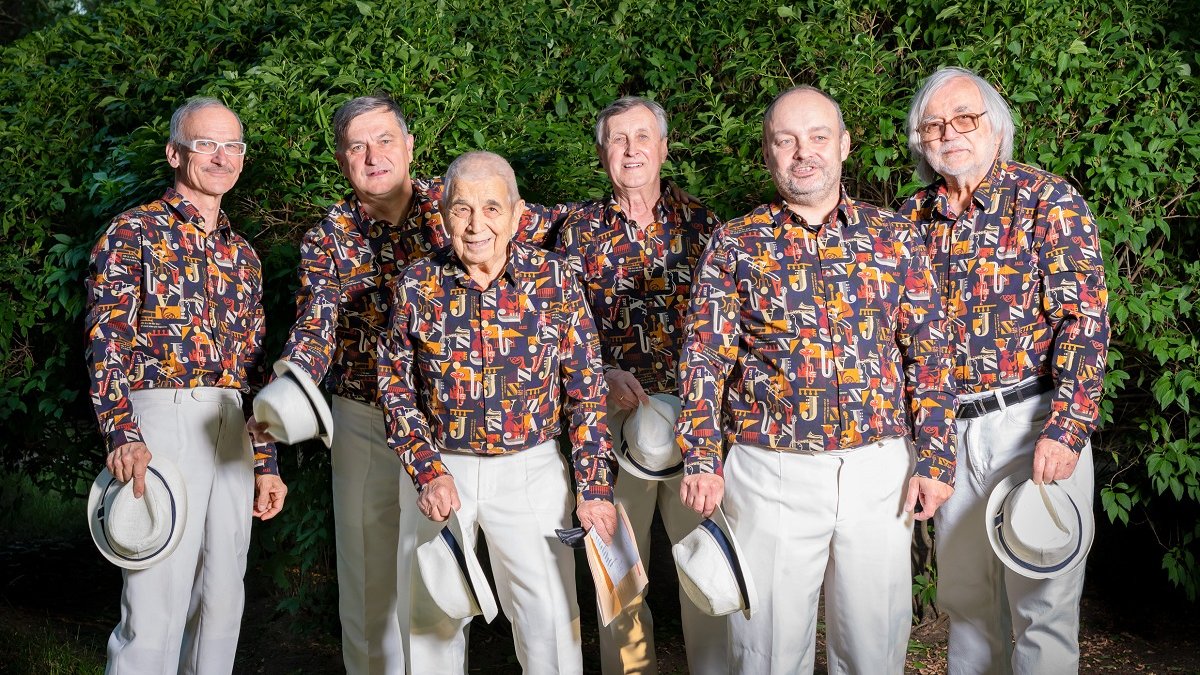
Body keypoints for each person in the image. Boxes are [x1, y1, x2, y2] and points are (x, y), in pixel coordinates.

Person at [256, 95, 568, 674]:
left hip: (457, 430)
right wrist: (287, 391)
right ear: (342, 158)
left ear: (409, 146)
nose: (373, 156)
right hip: (369, 419)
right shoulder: (329, 236)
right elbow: (315, 323)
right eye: (357, 146)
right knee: (374, 583)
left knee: (446, 591)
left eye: (384, 140)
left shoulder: (458, 199)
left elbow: (554, 229)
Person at [675, 86, 956, 673]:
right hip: (770, 472)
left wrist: (936, 458)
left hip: (877, 472)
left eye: (818, 137)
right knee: (768, 652)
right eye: (786, 140)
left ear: (845, 146)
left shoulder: (894, 238)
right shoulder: (735, 244)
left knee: (875, 649)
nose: (803, 152)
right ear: (769, 153)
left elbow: (928, 355)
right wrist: (701, 454)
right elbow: (704, 357)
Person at [900, 66, 1109, 674]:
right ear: (920, 141)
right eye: (935, 124)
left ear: (997, 128)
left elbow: (1085, 321)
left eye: (966, 118)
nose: (951, 133)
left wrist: (1067, 428)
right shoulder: (908, 222)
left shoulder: (1048, 200)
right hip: (949, 435)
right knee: (965, 603)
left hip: (1034, 424)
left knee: (1043, 606)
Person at [378, 150, 617, 674]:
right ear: (443, 216)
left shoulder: (554, 281)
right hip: (441, 470)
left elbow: (586, 389)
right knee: (429, 620)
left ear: (516, 214)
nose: (476, 223)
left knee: (549, 622)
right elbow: (395, 388)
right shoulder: (417, 284)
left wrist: (594, 488)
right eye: (461, 209)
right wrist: (426, 469)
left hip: (530, 470)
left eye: (491, 207)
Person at [85, 97, 287, 674]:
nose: (222, 157)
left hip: (231, 430)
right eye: (207, 144)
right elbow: (105, 339)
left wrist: (265, 460)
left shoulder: (243, 255)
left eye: (233, 146)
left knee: (223, 599)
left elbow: (253, 368)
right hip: (161, 420)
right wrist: (121, 433)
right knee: (155, 600)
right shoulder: (133, 232)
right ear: (176, 152)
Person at [553, 96, 727, 675]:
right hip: (607, 423)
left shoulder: (706, 225)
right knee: (619, 572)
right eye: (618, 139)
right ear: (603, 152)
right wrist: (598, 374)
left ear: (664, 148)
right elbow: (554, 327)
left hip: (692, 425)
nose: (631, 149)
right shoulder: (576, 232)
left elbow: (728, 327)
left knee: (704, 558)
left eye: (643, 137)